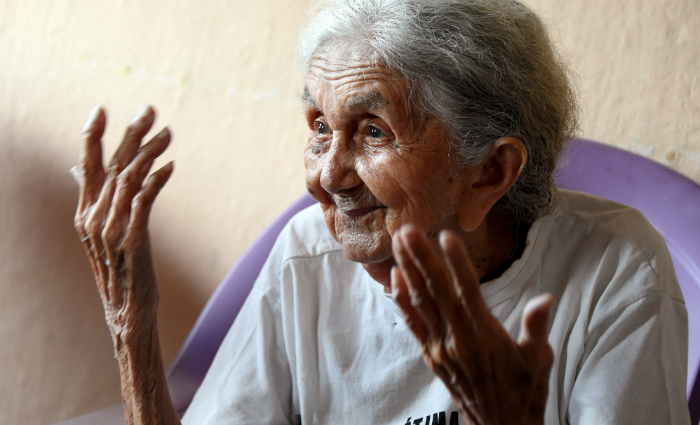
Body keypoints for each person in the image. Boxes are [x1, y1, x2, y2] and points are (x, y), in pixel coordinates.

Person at [72, 0, 690, 424]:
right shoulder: (305, 258)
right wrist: (133, 330)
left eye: (372, 131)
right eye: (319, 126)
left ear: (490, 172)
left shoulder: (615, 270)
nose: (327, 176)